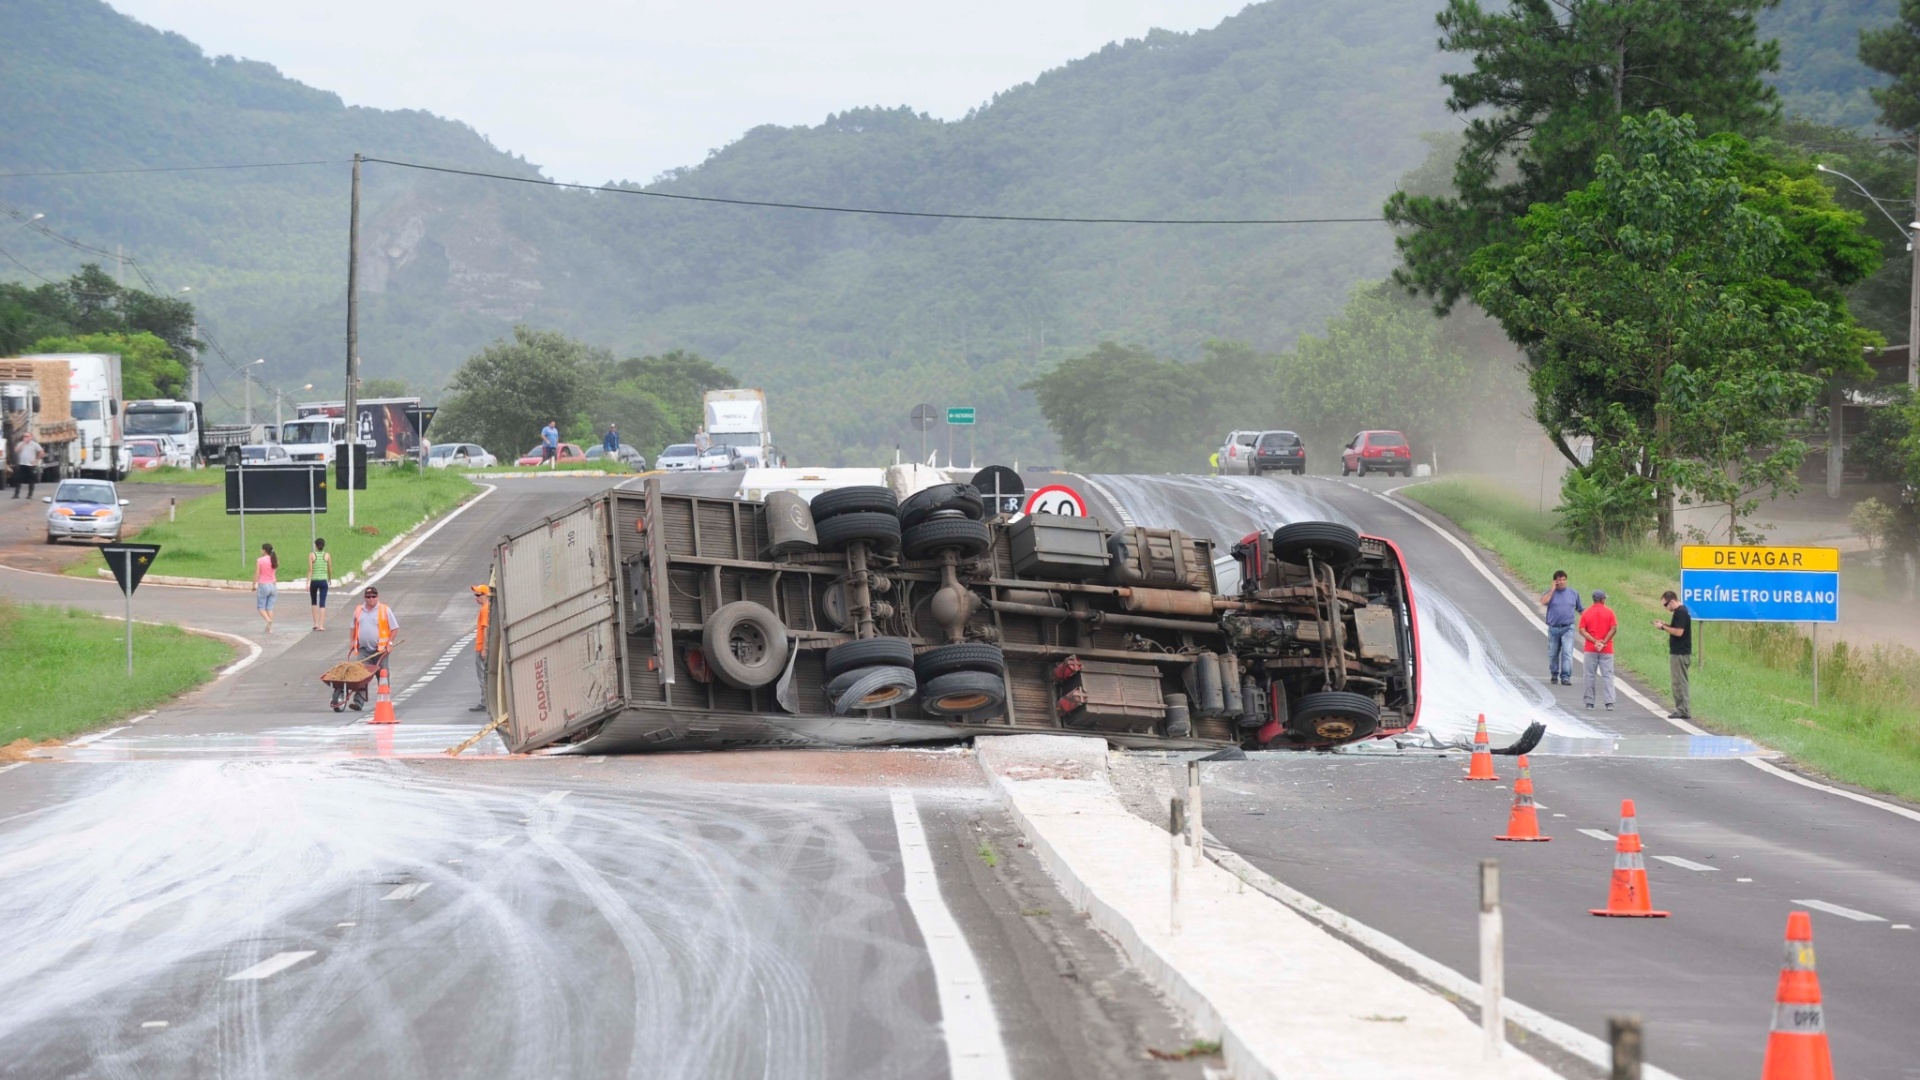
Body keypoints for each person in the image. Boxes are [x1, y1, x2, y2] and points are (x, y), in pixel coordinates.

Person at [341, 586, 398, 711]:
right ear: (365, 598)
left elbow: (394, 628)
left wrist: (390, 643)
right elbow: (353, 627)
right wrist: (351, 641)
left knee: (382, 675)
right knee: (361, 676)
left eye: (374, 596)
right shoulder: (358, 610)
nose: (371, 599)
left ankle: (385, 701)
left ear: (377, 597)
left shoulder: (384, 610)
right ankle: (358, 701)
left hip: (381, 650)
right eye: (368, 597)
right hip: (363, 650)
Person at [1538, 569, 1583, 686]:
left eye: (1563, 580)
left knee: (1567, 653)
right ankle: (1554, 674)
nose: (1562, 582)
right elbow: (1543, 601)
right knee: (1553, 653)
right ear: (1555, 581)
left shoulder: (1573, 593)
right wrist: (1552, 590)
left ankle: (1565, 677)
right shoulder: (1550, 593)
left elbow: (1580, 609)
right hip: (1554, 628)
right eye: (1559, 580)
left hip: (1568, 627)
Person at [1654, 589, 1693, 719]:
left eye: (1666, 605)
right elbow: (1675, 627)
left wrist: (1663, 628)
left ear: (1672, 601)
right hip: (1677, 651)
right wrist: (1664, 625)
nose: (1666, 608)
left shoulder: (1681, 612)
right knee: (1677, 682)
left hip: (1680, 653)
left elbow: (1678, 632)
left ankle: (1683, 710)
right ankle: (1681, 708)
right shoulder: (1679, 612)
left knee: (1679, 682)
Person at [1577, 588, 1617, 710]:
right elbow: (1614, 628)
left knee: (1589, 675)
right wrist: (1603, 642)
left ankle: (1589, 702)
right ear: (1603, 600)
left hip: (1590, 648)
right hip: (1607, 649)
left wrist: (1595, 641)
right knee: (1607, 675)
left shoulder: (1586, 613)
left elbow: (1581, 630)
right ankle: (1609, 702)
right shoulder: (1610, 612)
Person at [470, 584, 491, 712]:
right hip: (481, 647)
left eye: (478, 595)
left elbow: (485, 630)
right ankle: (486, 701)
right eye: (475, 595)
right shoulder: (487, 608)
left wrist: (483, 648)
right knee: (484, 675)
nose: (476, 598)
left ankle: (485, 702)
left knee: (482, 676)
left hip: (480, 648)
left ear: (485, 595)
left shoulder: (485, 609)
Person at [308, 537, 333, 632]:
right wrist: (330, 578)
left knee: (314, 601)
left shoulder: (311, 555)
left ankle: (315, 624)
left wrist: (308, 581)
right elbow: (329, 568)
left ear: (315, 545)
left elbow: (310, 569)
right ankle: (321, 625)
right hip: (323, 580)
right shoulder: (327, 555)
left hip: (314, 580)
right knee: (322, 602)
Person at [255, 543, 279, 633]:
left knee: (261, 607)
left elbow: (257, 573)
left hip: (263, 585)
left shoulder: (260, 560)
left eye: (261, 549)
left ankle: (268, 620)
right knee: (270, 607)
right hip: (273, 585)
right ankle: (270, 628)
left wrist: (254, 585)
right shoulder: (274, 560)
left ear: (264, 550)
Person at [11, 433, 42, 500]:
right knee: (18, 479)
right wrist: (23, 443)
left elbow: (41, 452)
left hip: (30, 465)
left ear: (31, 437)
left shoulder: (34, 444)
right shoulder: (20, 443)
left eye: (27, 436)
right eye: (24, 436)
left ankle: (30, 494)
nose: (26, 437)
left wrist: (36, 460)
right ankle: (16, 494)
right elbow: (16, 450)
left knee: (31, 480)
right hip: (22, 464)